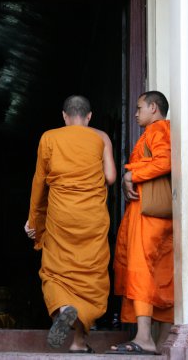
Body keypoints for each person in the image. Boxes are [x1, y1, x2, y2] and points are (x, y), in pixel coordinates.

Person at [24, 95, 116, 353]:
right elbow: (110, 177)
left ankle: (64, 309)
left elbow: (39, 182)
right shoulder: (100, 138)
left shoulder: (50, 138)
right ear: (89, 117)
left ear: (64, 116)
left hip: (60, 217)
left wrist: (34, 220)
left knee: (55, 271)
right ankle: (78, 342)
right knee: (90, 275)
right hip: (92, 219)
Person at [107, 91, 173, 355]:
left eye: (139, 108)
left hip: (149, 213)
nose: (135, 114)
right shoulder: (158, 131)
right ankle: (160, 342)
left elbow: (165, 160)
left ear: (153, 108)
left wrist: (133, 174)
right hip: (156, 213)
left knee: (142, 269)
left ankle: (145, 338)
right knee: (161, 273)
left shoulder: (158, 130)